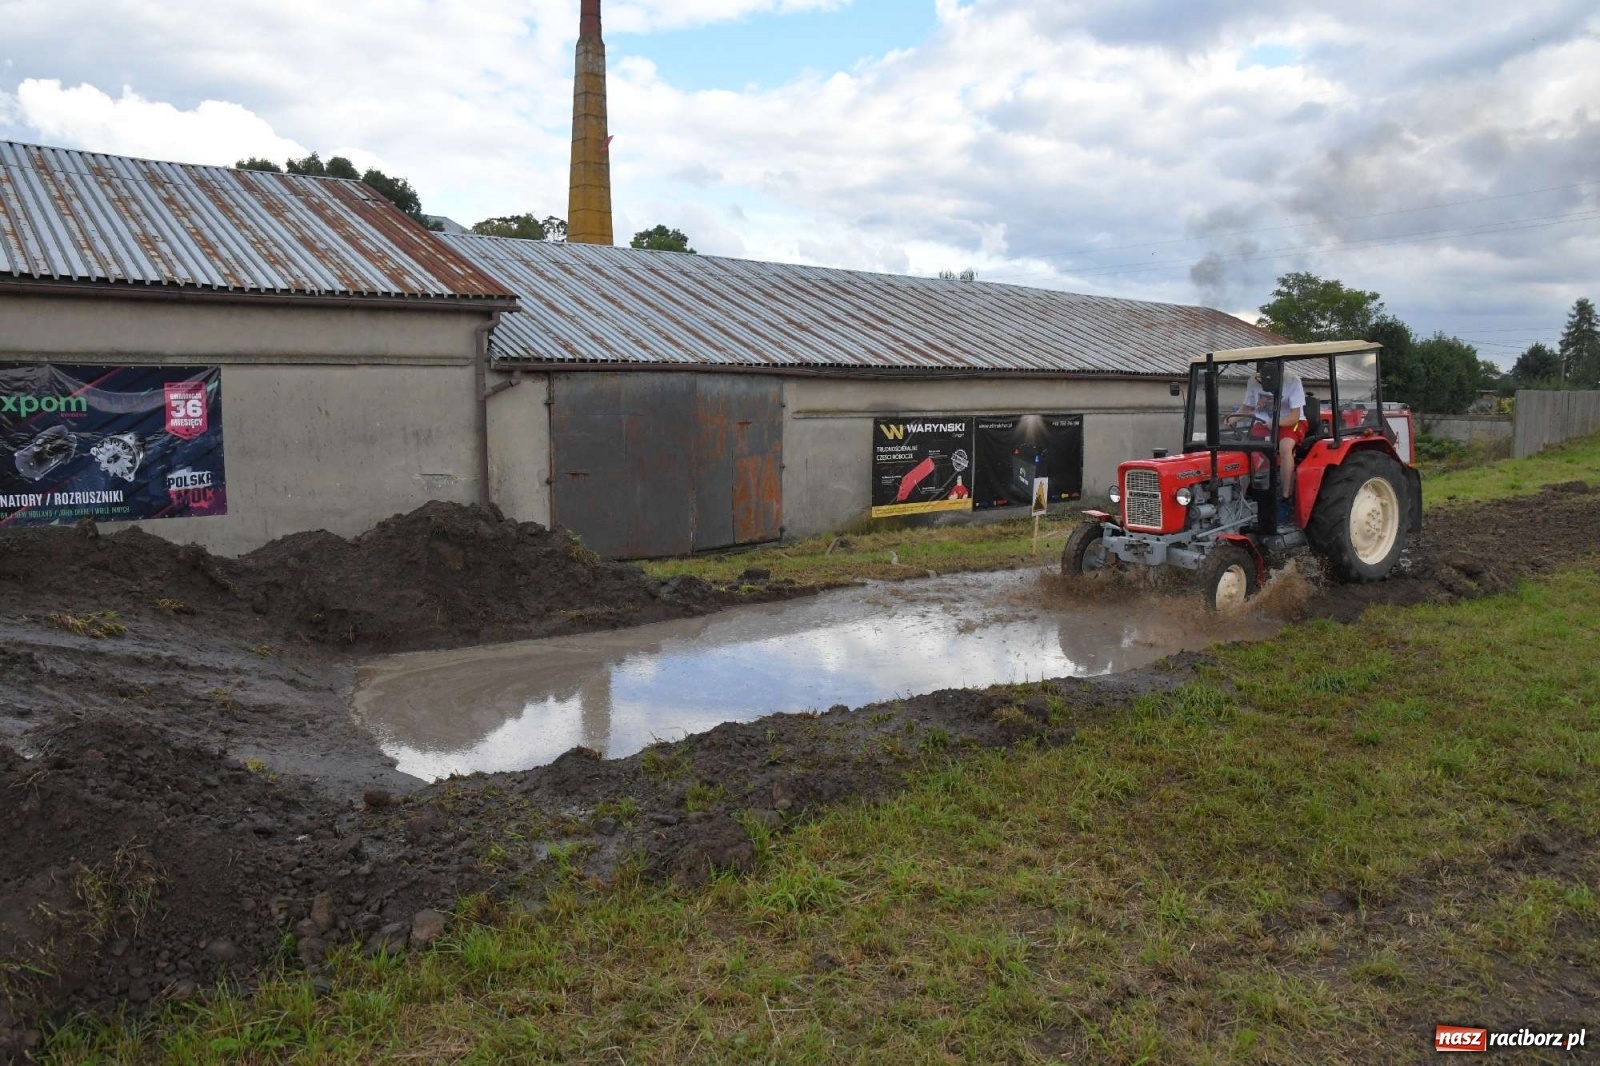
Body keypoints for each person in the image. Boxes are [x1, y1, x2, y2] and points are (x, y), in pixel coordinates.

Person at [1224, 361, 1306, 520]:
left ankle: (1285, 497)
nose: (1262, 381)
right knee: (1246, 449)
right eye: (1261, 377)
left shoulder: (1292, 380)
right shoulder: (1253, 380)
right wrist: (1232, 419)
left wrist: (1277, 422)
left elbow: (1295, 416)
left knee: (1285, 447)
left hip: (1291, 422)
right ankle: (1243, 496)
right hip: (1263, 422)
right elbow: (1246, 408)